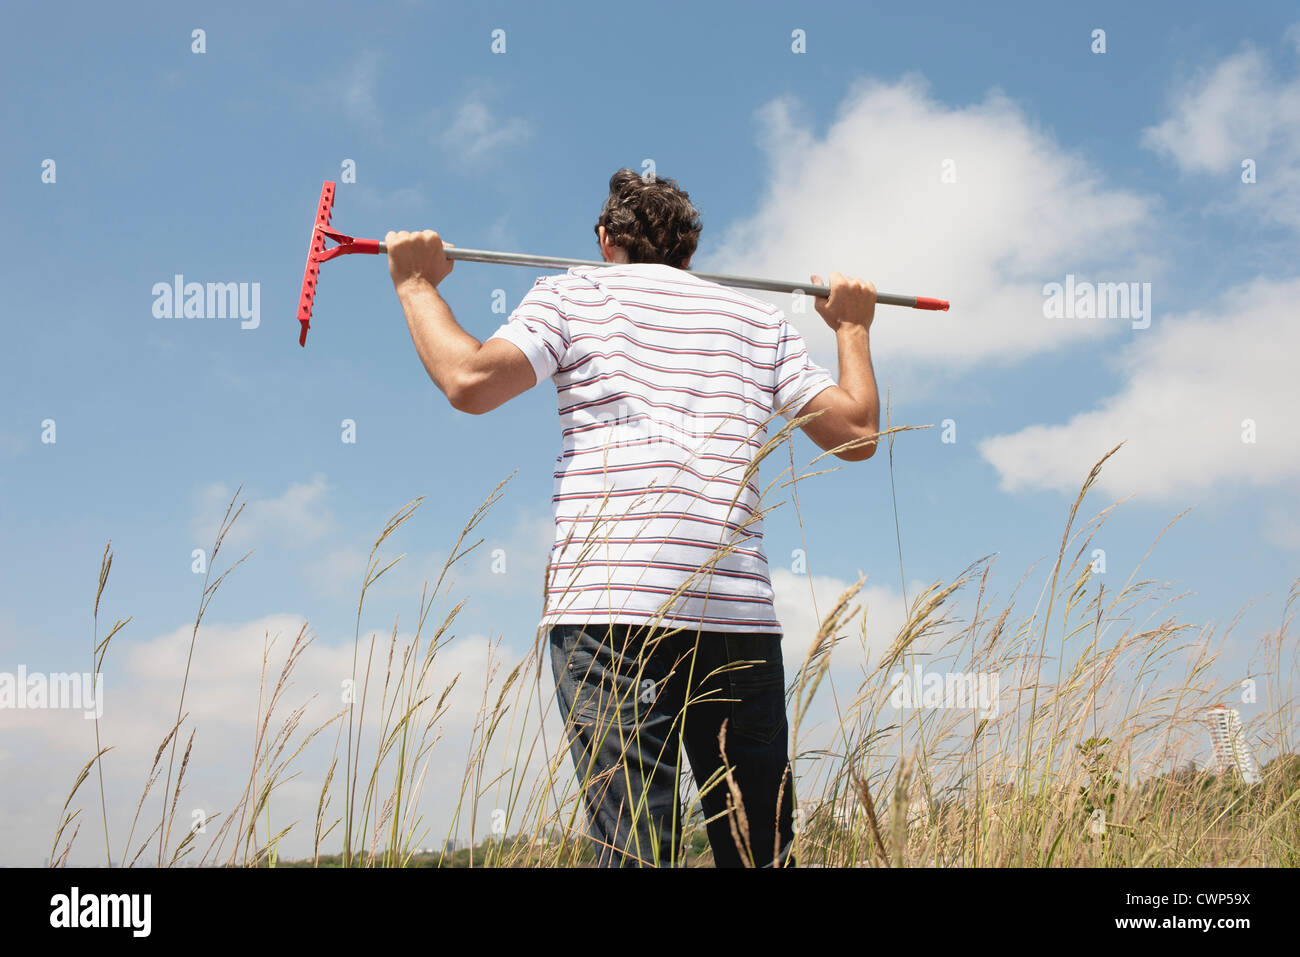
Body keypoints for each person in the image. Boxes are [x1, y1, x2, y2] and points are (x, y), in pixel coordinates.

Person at [385, 169, 880, 867]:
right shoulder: (758, 321)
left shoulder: (571, 292)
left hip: (610, 617)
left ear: (605, 240)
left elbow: (469, 380)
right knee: (759, 850)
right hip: (734, 620)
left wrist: (414, 283)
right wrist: (853, 327)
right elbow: (857, 434)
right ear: (689, 249)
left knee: (633, 849)